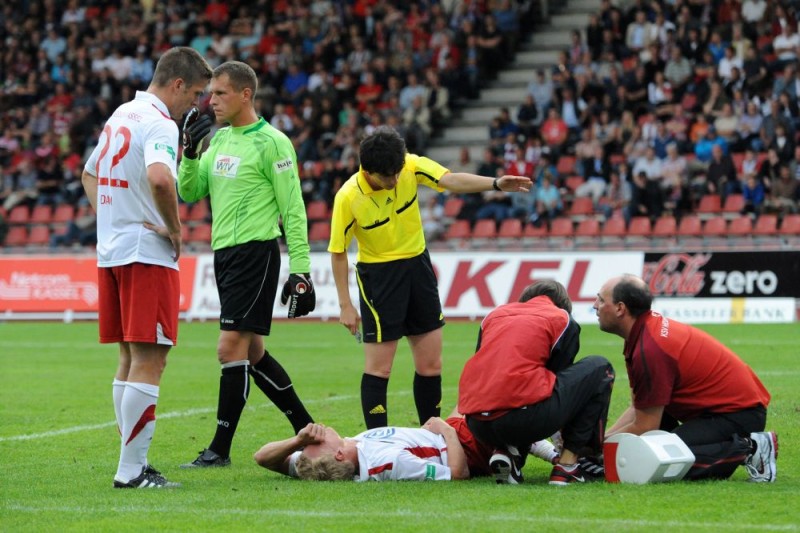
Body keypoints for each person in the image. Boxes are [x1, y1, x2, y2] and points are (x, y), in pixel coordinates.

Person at [328, 126, 532, 429]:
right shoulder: (348, 197)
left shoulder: (409, 165)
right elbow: (338, 252)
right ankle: (378, 444)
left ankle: (432, 436)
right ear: (368, 171)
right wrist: (345, 304)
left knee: (431, 365)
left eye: (398, 172)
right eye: (388, 177)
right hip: (379, 278)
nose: (396, 180)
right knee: (380, 369)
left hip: (418, 269)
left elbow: (450, 180)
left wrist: (496, 183)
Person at [80, 47, 213, 489]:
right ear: (177, 84)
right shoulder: (160, 123)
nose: (195, 105)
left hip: (113, 249)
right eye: (195, 94)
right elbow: (160, 178)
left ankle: (132, 463)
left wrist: (112, 218)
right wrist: (174, 230)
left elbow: (89, 174)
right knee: (151, 359)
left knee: (128, 356)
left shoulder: (122, 113)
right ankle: (131, 471)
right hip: (146, 252)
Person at [177, 61, 315, 468]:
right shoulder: (217, 141)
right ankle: (308, 428)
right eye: (210, 93)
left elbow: (293, 209)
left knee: (229, 349)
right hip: (225, 256)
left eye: (219, 93)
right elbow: (189, 191)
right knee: (253, 353)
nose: (210, 101)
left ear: (245, 95)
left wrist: (301, 269)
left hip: (256, 253)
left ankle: (219, 449)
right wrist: (189, 154)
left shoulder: (273, 142)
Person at [595, 275, 778, 482]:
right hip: (720, 410)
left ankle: (750, 449)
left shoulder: (650, 348)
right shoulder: (646, 331)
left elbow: (645, 426)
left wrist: (599, 450)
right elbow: (640, 408)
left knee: (656, 461)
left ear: (620, 308)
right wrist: (601, 442)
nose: (595, 306)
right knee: (635, 451)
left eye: (601, 300)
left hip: (736, 414)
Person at [458, 280, 616, 485]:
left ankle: (506, 453)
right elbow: (556, 385)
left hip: (476, 423)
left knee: (512, 387)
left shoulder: (494, 315)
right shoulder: (561, 318)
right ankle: (568, 466)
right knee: (600, 367)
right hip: (523, 418)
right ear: (562, 304)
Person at [253, 411, 560, 481]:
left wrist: (297, 441)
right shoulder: (388, 462)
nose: (314, 435)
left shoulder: (327, 461)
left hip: (456, 430)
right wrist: (447, 432)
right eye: (315, 442)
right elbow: (457, 474)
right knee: (490, 394)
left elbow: (262, 458)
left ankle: (513, 450)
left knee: (480, 397)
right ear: (338, 453)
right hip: (466, 445)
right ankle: (556, 453)